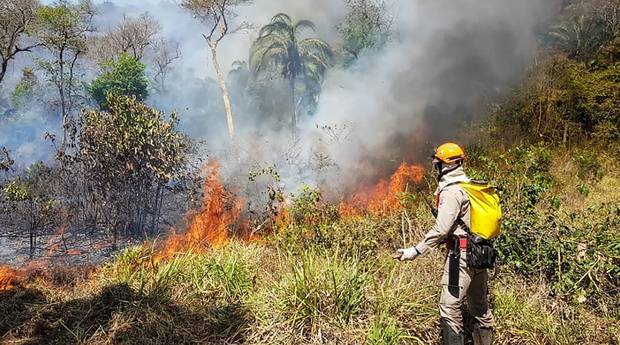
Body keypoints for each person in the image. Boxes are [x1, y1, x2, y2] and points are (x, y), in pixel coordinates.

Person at [395, 142, 494, 345]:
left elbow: (441, 229)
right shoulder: (471, 186)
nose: (435, 167)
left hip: (462, 256)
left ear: (446, 166)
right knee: (480, 307)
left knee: (449, 307)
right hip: (480, 253)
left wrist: (415, 250)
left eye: (437, 163)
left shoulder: (451, 192)